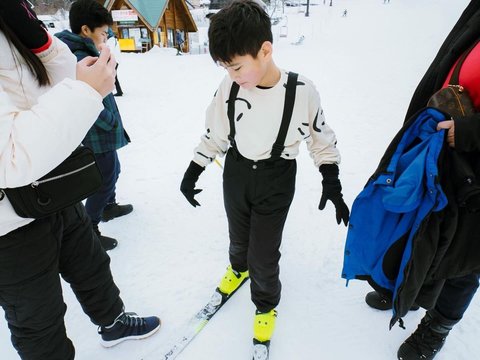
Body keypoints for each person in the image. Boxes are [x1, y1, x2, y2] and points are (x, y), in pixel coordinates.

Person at [179, 0, 349, 354]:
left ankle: (266, 302)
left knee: (264, 252)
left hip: (276, 177)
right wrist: (194, 168)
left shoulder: (301, 91)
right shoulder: (229, 88)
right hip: (237, 171)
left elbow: (321, 138)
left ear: (265, 50)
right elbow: (215, 132)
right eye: (226, 68)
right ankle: (237, 269)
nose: (233, 76)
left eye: (237, 67)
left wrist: (330, 179)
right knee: (238, 234)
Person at [0, 1, 160, 359]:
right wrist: (85, 92)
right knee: (38, 319)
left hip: (54, 184)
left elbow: (51, 83)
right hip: (8, 225)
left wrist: (40, 42)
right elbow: (9, 157)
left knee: (91, 265)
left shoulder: (11, 17)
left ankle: (114, 322)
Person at [363, 2, 480, 359]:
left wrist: (470, 131)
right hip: (443, 139)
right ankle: (407, 287)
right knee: (423, 218)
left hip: (470, 148)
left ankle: (437, 327)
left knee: (467, 255)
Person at [56, 0, 134, 251]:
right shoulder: (80, 57)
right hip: (96, 134)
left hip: (103, 132)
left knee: (113, 170)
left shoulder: (86, 51)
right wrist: (111, 122)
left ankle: (108, 206)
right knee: (103, 178)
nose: (106, 37)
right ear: (86, 30)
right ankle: (89, 229)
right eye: (102, 33)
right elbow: (86, 100)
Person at [107, 27, 124, 96]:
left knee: (112, 75)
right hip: (116, 60)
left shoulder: (111, 40)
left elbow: (110, 50)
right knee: (114, 75)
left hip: (114, 60)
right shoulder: (115, 40)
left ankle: (116, 91)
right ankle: (119, 91)